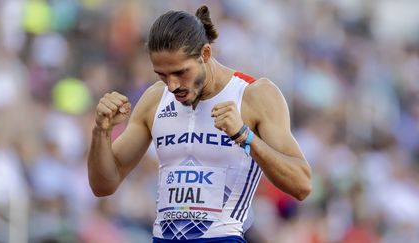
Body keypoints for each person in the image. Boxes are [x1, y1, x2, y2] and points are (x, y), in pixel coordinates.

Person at [88, 5, 311, 243]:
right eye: (162, 75)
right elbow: (104, 185)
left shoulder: (253, 95)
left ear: (205, 54)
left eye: (180, 72)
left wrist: (245, 136)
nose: (173, 86)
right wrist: (101, 131)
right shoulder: (155, 99)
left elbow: (301, 184)